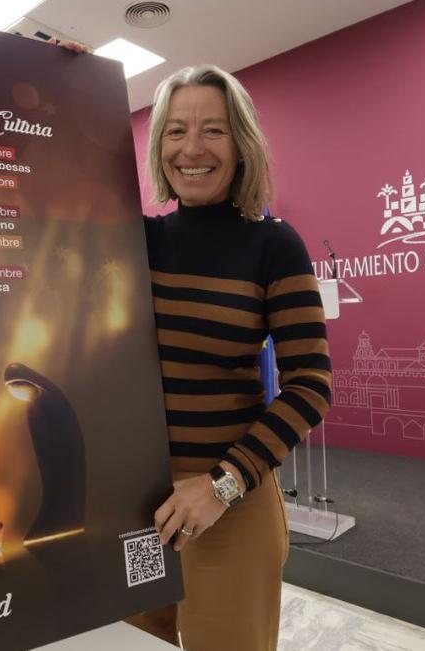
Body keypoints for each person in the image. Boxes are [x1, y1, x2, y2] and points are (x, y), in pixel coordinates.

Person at [126, 65, 332, 651]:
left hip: (228, 505)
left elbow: (310, 385)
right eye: (175, 130)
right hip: (136, 508)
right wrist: (56, 82)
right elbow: (44, 193)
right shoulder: (136, 239)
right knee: (134, 643)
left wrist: (220, 486)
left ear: (241, 144)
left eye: (213, 130)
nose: (192, 148)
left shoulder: (273, 244)